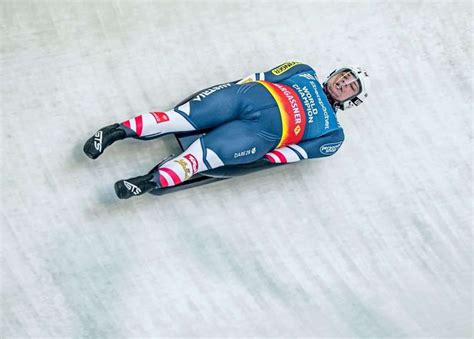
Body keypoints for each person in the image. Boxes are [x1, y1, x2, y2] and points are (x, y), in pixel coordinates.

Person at [83, 61, 370, 199]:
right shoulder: (303, 70)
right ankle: (112, 133)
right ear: (334, 72)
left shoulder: (333, 135)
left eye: (351, 85)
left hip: (259, 135)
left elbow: (291, 155)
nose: (344, 82)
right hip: (243, 99)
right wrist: (229, 93)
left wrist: (251, 157)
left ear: (352, 99)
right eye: (344, 76)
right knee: (178, 119)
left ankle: (146, 183)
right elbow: (259, 77)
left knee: (199, 159)